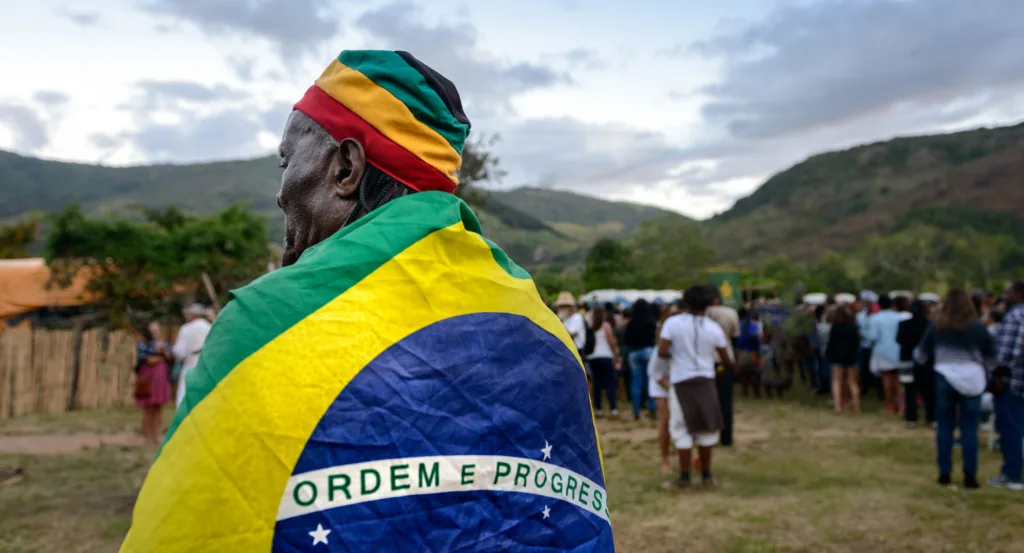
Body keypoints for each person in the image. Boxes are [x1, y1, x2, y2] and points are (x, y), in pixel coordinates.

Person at [121, 50, 613, 550]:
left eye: (287, 162)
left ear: (346, 168)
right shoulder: (540, 323)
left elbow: (197, 530)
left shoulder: (275, 318)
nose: (280, 193)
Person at [916, 289, 995, 489]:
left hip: (944, 377)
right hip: (973, 379)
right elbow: (992, 357)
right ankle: (970, 475)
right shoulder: (978, 327)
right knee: (969, 427)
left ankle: (944, 473)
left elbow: (920, 355)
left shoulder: (937, 326)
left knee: (944, 426)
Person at [658, 285, 732, 489]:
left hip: (681, 381)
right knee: (707, 429)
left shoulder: (673, 323)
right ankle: (706, 476)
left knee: (681, 429)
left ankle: (684, 477)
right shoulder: (713, 327)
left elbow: (662, 352)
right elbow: (726, 359)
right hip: (706, 382)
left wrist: (679, 354)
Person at [990, 280, 1024, 491]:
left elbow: (1007, 353)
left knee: (1011, 427)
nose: (1005, 296)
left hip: (1012, 381)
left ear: (1019, 294)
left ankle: (1012, 474)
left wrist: (997, 375)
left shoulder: (1015, 316)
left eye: (1008, 292)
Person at [649, 303, 680, 474]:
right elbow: (656, 374)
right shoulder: (660, 347)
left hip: (676, 384)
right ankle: (665, 459)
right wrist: (671, 389)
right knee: (666, 421)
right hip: (662, 384)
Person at [707, 288, 740, 446]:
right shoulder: (730, 313)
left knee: (705, 400)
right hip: (724, 361)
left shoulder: (699, 314)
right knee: (725, 400)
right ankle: (726, 437)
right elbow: (735, 337)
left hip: (704, 362)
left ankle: (706, 436)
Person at [898, 300, 935, 427]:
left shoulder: (903, 325)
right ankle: (931, 417)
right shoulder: (929, 325)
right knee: (928, 390)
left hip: (908, 361)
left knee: (909, 390)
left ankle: (911, 418)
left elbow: (899, 340)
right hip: (926, 362)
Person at [135, 320, 172, 444]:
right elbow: (147, 359)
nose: (156, 332)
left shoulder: (164, 344)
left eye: (157, 330)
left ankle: (156, 436)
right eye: (153, 330)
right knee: (147, 408)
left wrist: (162, 354)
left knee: (158, 408)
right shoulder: (143, 344)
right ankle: (147, 436)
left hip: (160, 377)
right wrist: (160, 356)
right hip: (147, 377)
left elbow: (170, 357)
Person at [867, 295, 904, 414]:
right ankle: (900, 405)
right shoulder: (900, 317)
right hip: (898, 350)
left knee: (886, 379)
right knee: (897, 380)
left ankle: (890, 405)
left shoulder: (875, 318)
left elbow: (872, 337)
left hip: (882, 351)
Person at [172, 303, 213, 408]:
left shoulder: (186, 328)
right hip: (207, 363)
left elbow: (179, 352)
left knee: (185, 394)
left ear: (193, 315)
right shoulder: (210, 327)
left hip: (190, 363)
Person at [624, 299, 657, 420]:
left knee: (636, 383)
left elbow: (626, 341)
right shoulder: (651, 321)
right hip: (649, 352)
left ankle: (636, 411)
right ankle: (652, 410)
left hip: (634, 353)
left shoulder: (631, 323)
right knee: (650, 383)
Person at [827, 305, 861, 413]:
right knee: (852, 382)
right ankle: (856, 406)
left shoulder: (835, 328)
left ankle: (837, 406)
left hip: (837, 356)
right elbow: (857, 343)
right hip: (852, 356)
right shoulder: (854, 327)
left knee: (836, 381)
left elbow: (831, 343)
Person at [589, 305, 621, 418]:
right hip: (606, 356)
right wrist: (616, 355)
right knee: (610, 383)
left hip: (593, 357)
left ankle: (598, 409)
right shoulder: (606, 326)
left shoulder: (591, 327)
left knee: (597, 384)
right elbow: (611, 341)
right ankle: (613, 408)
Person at [736, 308, 762, 398]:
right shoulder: (754, 326)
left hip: (741, 352)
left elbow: (737, 340)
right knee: (755, 373)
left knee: (743, 373)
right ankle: (757, 393)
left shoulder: (738, 325)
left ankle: (745, 391)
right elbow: (758, 339)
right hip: (753, 352)